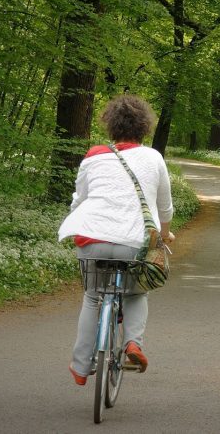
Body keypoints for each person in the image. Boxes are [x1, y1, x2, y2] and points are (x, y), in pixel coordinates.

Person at [58, 94, 175, 385]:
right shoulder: (153, 157)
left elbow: (79, 200)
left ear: (110, 125)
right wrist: (164, 234)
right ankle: (133, 343)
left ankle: (81, 366)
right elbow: (165, 207)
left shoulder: (94, 155)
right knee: (136, 292)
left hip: (91, 239)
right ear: (144, 127)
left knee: (93, 296)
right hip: (132, 242)